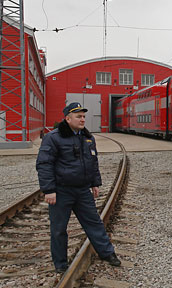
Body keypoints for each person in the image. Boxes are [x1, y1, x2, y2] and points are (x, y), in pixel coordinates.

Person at [36, 102, 121, 273]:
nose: (82, 119)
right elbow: (44, 164)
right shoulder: (53, 137)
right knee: (59, 229)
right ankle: (60, 264)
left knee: (94, 223)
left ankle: (107, 253)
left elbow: (92, 162)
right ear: (68, 119)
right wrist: (49, 190)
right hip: (61, 191)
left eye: (83, 116)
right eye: (78, 116)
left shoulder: (87, 137)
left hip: (82, 190)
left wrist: (95, 183)